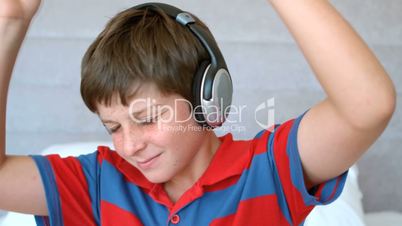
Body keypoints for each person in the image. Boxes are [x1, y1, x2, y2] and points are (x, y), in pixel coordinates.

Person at [0, 0, 396, 225]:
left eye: (146, 118)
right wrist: (10, 22)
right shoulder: (97, 183)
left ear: (208, 98)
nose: (130, 145)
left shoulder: (269, 169)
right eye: (112, 127)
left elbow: (367, 107)